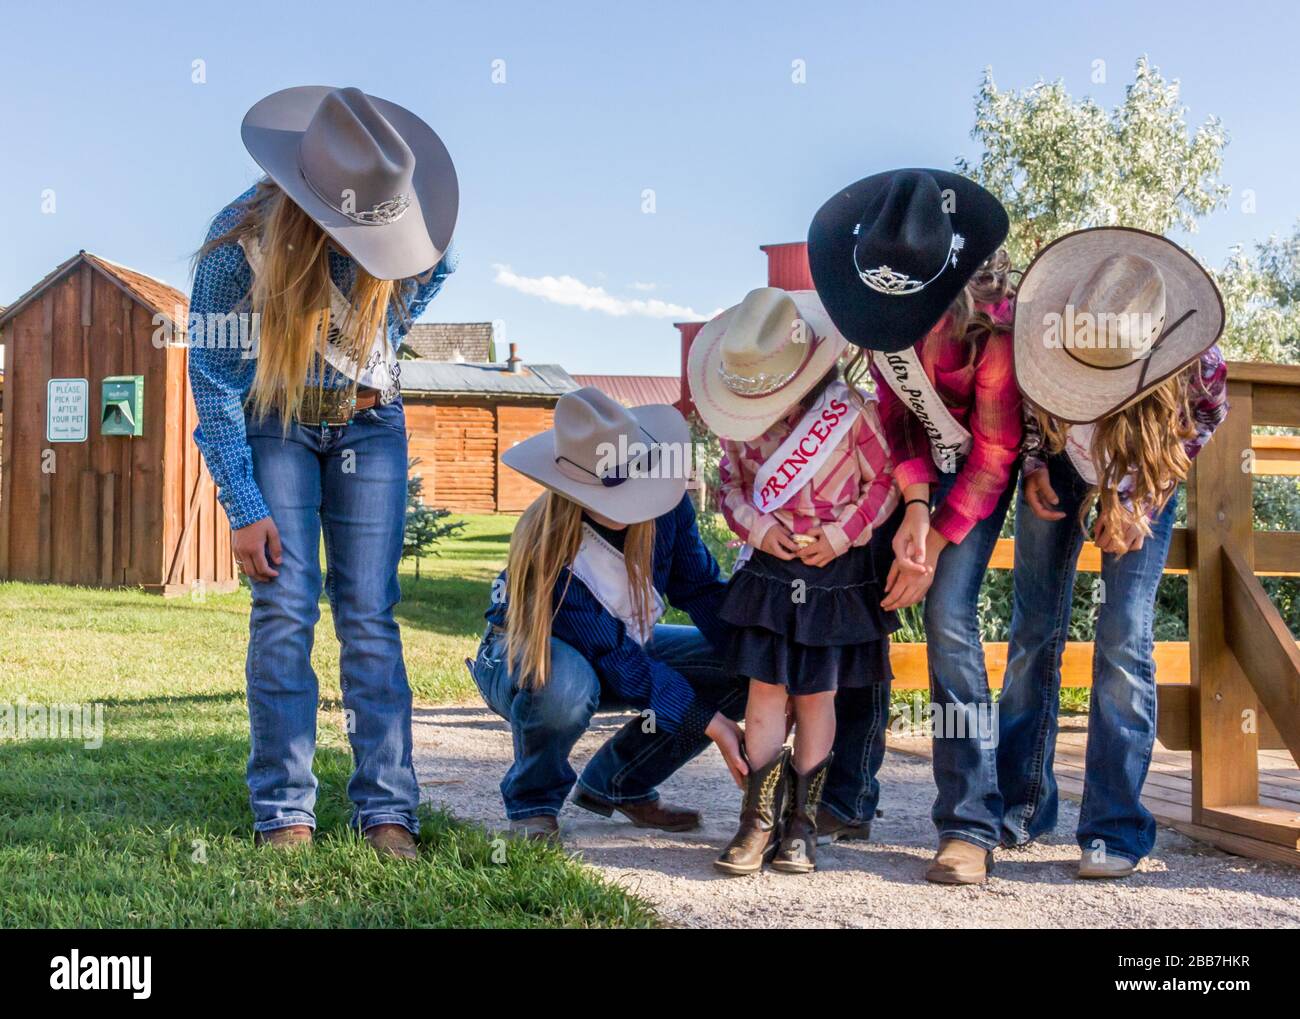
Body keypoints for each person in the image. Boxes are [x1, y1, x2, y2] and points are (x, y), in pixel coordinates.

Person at [188, 86, 460, 859]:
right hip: (275, 419)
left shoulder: (404, 219)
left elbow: (440, 267)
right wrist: (243, 503)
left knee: (370, 616)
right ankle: (284, 813)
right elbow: (211, 377)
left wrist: (388, 325)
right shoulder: (234, 244)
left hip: (371, 423)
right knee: (284, 609)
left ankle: (388, 810)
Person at [809, 167, 1019, 884]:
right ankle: (847, 793)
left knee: (949, 615)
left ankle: (969, 824)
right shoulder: (878, 312)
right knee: (861, 596)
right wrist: (915, 506)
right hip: (921, 473)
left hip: (981, 473)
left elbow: (993, 457)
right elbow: (898, 418)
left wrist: (931, 538)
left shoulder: (994, 331)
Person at [999, 227, 1228, 878]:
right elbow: (1025, 399)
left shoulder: (1196, 360)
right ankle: (1021, 806)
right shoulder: (1046, 326)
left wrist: (1141, 504)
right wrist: (1036, 462)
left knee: (1124, 632)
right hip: (1063, 466)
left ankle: (1113, 827)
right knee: (1032, 629)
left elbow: (1206, 422)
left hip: (1142, 470)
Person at [469, 387, 748, 843]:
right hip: (526, 656)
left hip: (619, 645)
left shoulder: (668, 504)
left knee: (739, 669)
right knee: (563, 686)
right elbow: (619, 659)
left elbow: (699, 587)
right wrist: (713, 724)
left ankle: (621, 783)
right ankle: (533, 803)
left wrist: (760, 658)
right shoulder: (550, 549)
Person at [688, 286, 899, 875]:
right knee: (764, 693)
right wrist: (758, 529)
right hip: (771, 572)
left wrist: (844, 534)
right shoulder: (740, 423)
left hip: (836, 568)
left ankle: (801, 825)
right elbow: (729, 487)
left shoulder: (849, 413)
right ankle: (756, 823)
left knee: (816, 695)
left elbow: (882, 487)